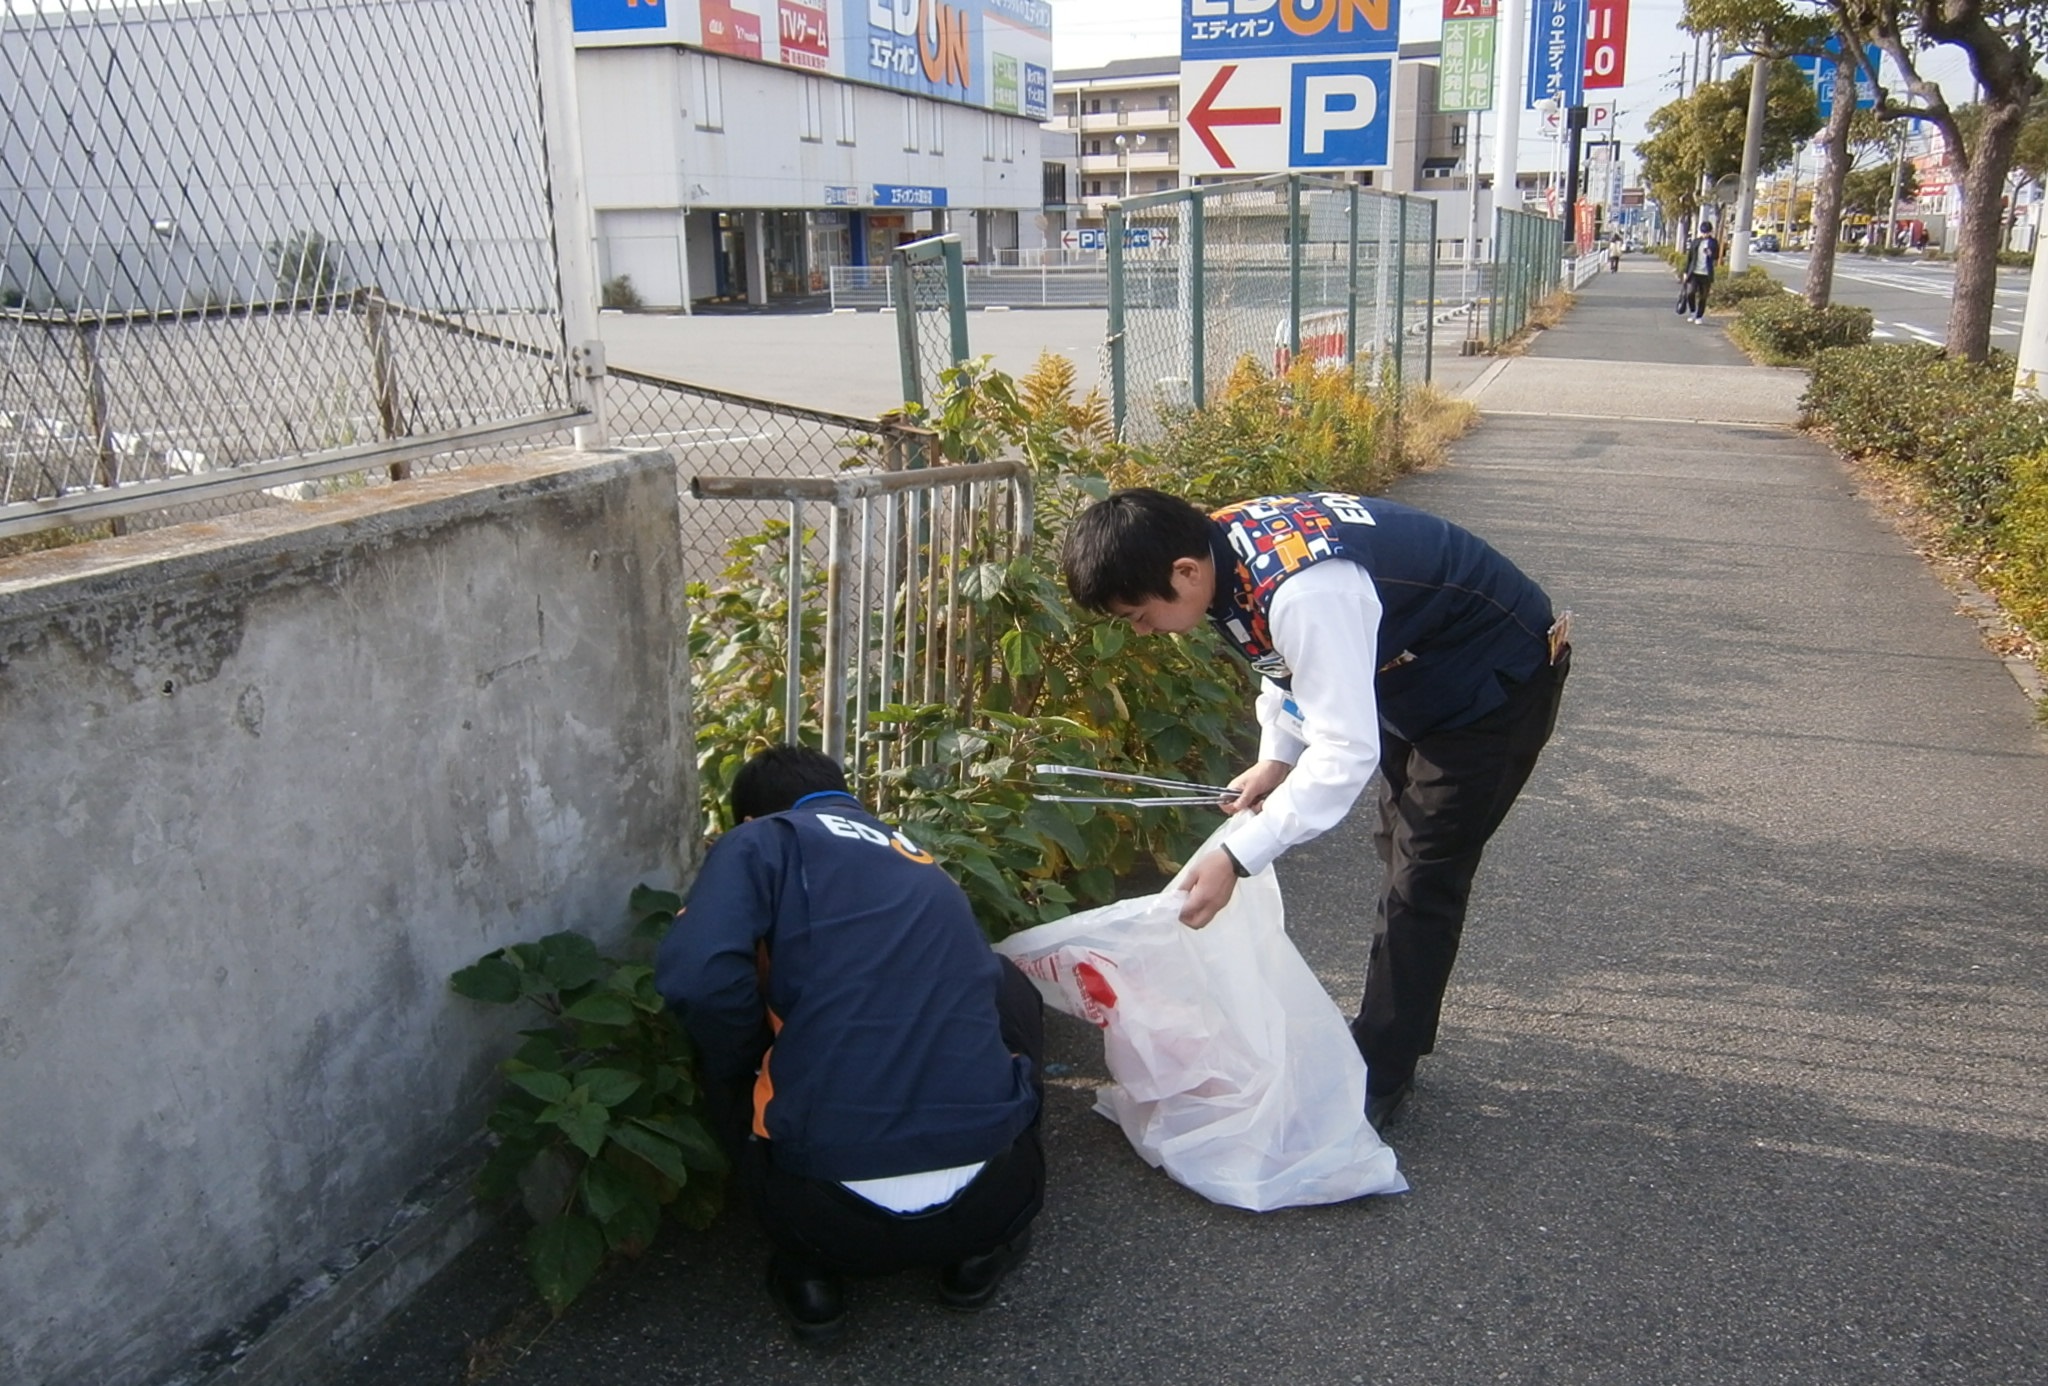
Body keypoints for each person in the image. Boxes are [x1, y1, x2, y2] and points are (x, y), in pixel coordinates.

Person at [1060, 489, 1570, 1133]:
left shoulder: (1307, 589)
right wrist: (1276, 757)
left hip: (1491, 681)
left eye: (1138, 614)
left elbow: (1345, 753)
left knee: (1423, 876)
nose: (1140, 631)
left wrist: (1236, 856)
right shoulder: (1220, 553)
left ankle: (1383, 1068)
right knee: (1401, 850)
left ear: (1184, 572)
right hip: (1409, 668)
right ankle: (1391, 1028)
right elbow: (1289, 663)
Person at [655, 745, 1045, 1343]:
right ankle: (976, 1259)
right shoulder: (915, 857)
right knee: (1006, 989)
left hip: (820, 1218)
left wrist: (749, 1056)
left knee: (732, 1054)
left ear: (749, 818)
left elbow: (697, 977)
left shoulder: (762, 841)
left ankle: (810, 1279)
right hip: (997, 1194)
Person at [1680, 222, 1720, 321]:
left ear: (1711, 232)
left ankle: (1699, 316)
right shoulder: (1696, 242)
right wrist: (1685, 272)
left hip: (1706, 274)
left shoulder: (1714, 242)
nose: (1705, 234)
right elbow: (1689, 258)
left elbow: (1717, 256)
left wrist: (1711, 253)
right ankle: (1693, 311)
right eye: (1703, 232)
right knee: (1690, 293)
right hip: (1694, 272)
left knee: (1703, 296)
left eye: (1706, 232)